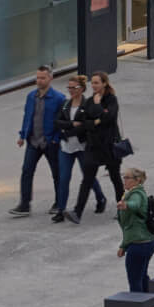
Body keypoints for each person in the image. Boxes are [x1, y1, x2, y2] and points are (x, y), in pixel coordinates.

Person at [10, 65, 64, 219]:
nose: (39, 81)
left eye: (43, 78)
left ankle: (59, 202)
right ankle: (24, 204)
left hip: (49, 142)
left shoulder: (59, 98)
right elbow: (28, 117)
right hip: (33, 141)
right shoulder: (31, 96)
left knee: (57, 173)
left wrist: (55, 140)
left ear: (50, 78)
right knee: (27, 171)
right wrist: (22, 135)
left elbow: (61, 121)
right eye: (38, 78)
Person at [71, 73, 124, 219]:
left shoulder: (111, 100)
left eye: (96, 83)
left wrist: (97, 108)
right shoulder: (88, 101)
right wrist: (96, 121)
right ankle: (77, 212)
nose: (93, 86)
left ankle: (122, 211)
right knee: (87, 179)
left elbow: (109, 118)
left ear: (104, 83)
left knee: (115, 178)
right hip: (93, 146)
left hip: (109, 145)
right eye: (92, 83)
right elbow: (82, 121)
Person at [56, 74, 105, 222]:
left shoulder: (87, 105)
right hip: (66, 147)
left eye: (74, 87)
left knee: (88, 176)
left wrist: (68, 129)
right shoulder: (65, 104)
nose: (71, 90)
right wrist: (71, 125)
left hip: (83, 147)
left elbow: (85, 126)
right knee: (63, 178)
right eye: (69, 87)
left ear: (82, 89)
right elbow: (57, 122)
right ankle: (61, 209)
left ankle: (100, 197)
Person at [114, 166, 154, 292]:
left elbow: (136, 204)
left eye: (127, 178)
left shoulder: (137, 194)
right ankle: (150, 306)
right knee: (142, 276)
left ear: (137, 180)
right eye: (124, 177)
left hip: (139, 245)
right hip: (146, 242)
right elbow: (129, 228)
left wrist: (126, 205)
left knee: (135, 281)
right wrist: (123, 246)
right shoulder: (134, 193)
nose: (124, 180)